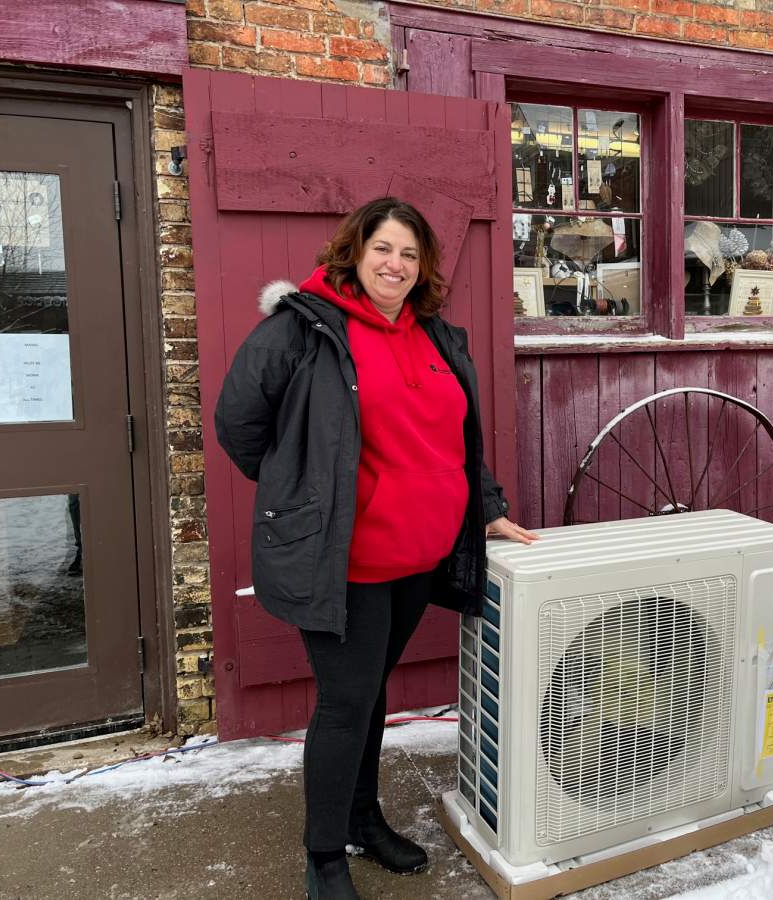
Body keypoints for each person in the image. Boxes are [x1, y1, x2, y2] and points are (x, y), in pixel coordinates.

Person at [214, 197, 538, 900]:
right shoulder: (303, 330)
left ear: (423, 269)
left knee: (366, 695)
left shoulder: (436, 337)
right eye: (383, 249)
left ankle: (362, 817)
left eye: (410, 254)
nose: (395, 264)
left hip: (417, 560)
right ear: (354, 253)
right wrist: (300, 492)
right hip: (347, 563)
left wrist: (487, 509)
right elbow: (238, 420)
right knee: (345, 700)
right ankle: (324, 855)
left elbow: (457, 441)